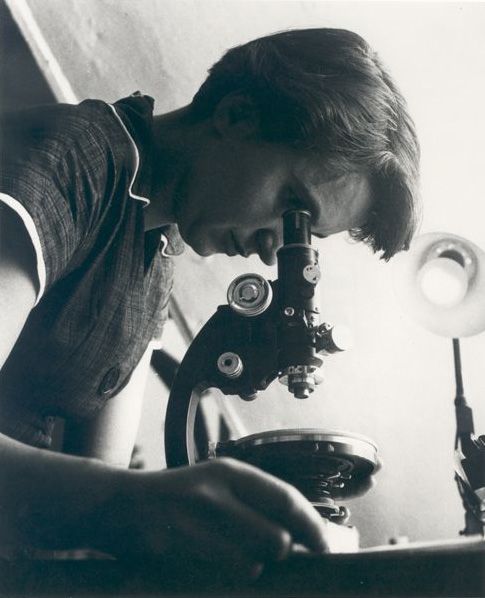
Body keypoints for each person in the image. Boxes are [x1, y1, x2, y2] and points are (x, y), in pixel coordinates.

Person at [0, 28, 420, 582]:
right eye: (292, 206)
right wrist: (133, 507)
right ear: (239, 115)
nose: (276, 251)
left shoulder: (155, 254)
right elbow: (117, 501)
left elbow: (100, 478)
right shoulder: (73, 161)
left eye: (304, 236)